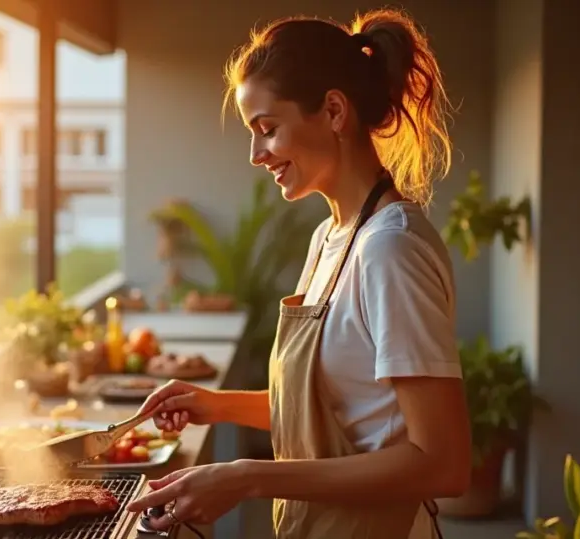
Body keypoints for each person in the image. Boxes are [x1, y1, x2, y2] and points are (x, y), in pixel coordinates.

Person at [126, 8, 471, 539]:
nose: (255, 154)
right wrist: (215, 405)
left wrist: (247, 478)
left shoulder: (390, 249)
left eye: (267, 129)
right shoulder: (329, 237)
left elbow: (442, 463)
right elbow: (340, 415)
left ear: (334, 110)